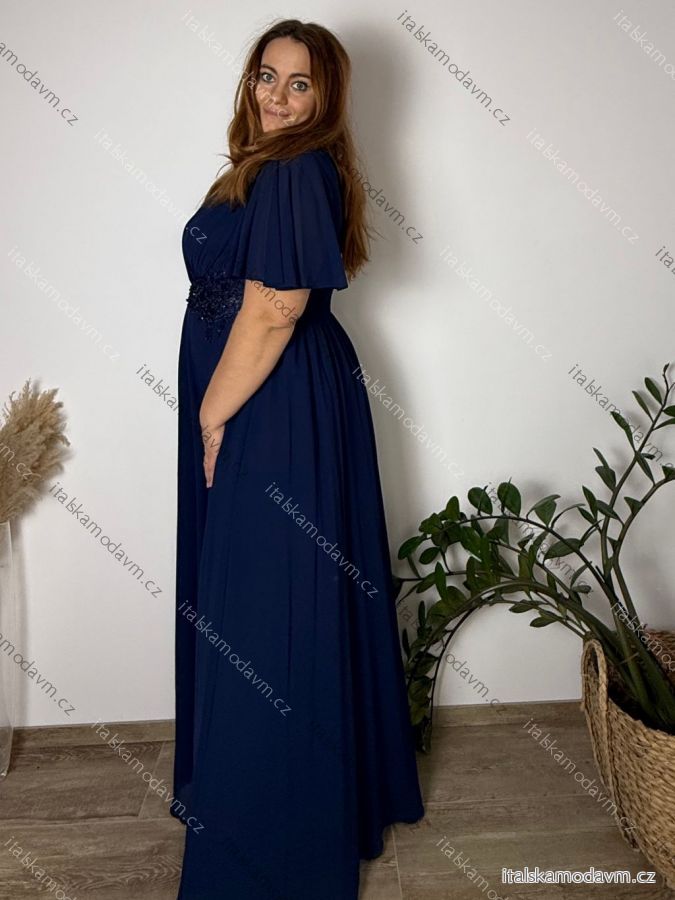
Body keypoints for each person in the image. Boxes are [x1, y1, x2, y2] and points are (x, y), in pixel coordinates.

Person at [173, 18, 424, 899]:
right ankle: (308, 796)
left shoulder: (290, 171)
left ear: (326, 99)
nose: (277, 96)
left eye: (300, 83)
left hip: (269, 406)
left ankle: (273, 831)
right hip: (276, 394)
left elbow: (277, 306)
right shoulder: (273, 167)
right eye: (266, 76)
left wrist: (210, 413)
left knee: (265, 608)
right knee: (273, 597)